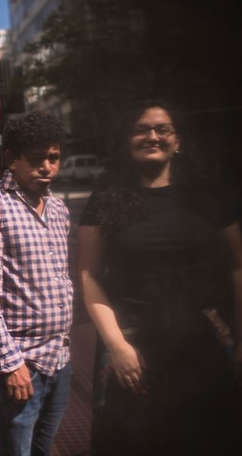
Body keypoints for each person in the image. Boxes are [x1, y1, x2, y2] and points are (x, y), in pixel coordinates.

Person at [78, 101, 242, 455]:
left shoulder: (207, 196)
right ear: (127, 139)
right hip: (135, 352)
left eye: (162, 128)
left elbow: (238, 266)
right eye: (141, 129)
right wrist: (116, 345)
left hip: (206, 347)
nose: (152, 136)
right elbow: (89, 276)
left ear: (177, 139)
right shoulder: (105, 201)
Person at [0, 111, 73, 456]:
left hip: (59, 359)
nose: (47, 167)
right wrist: (10, 364)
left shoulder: (58, 210)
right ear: (12, 158)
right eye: (36, 158)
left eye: (53, 157)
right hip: (20, 365)